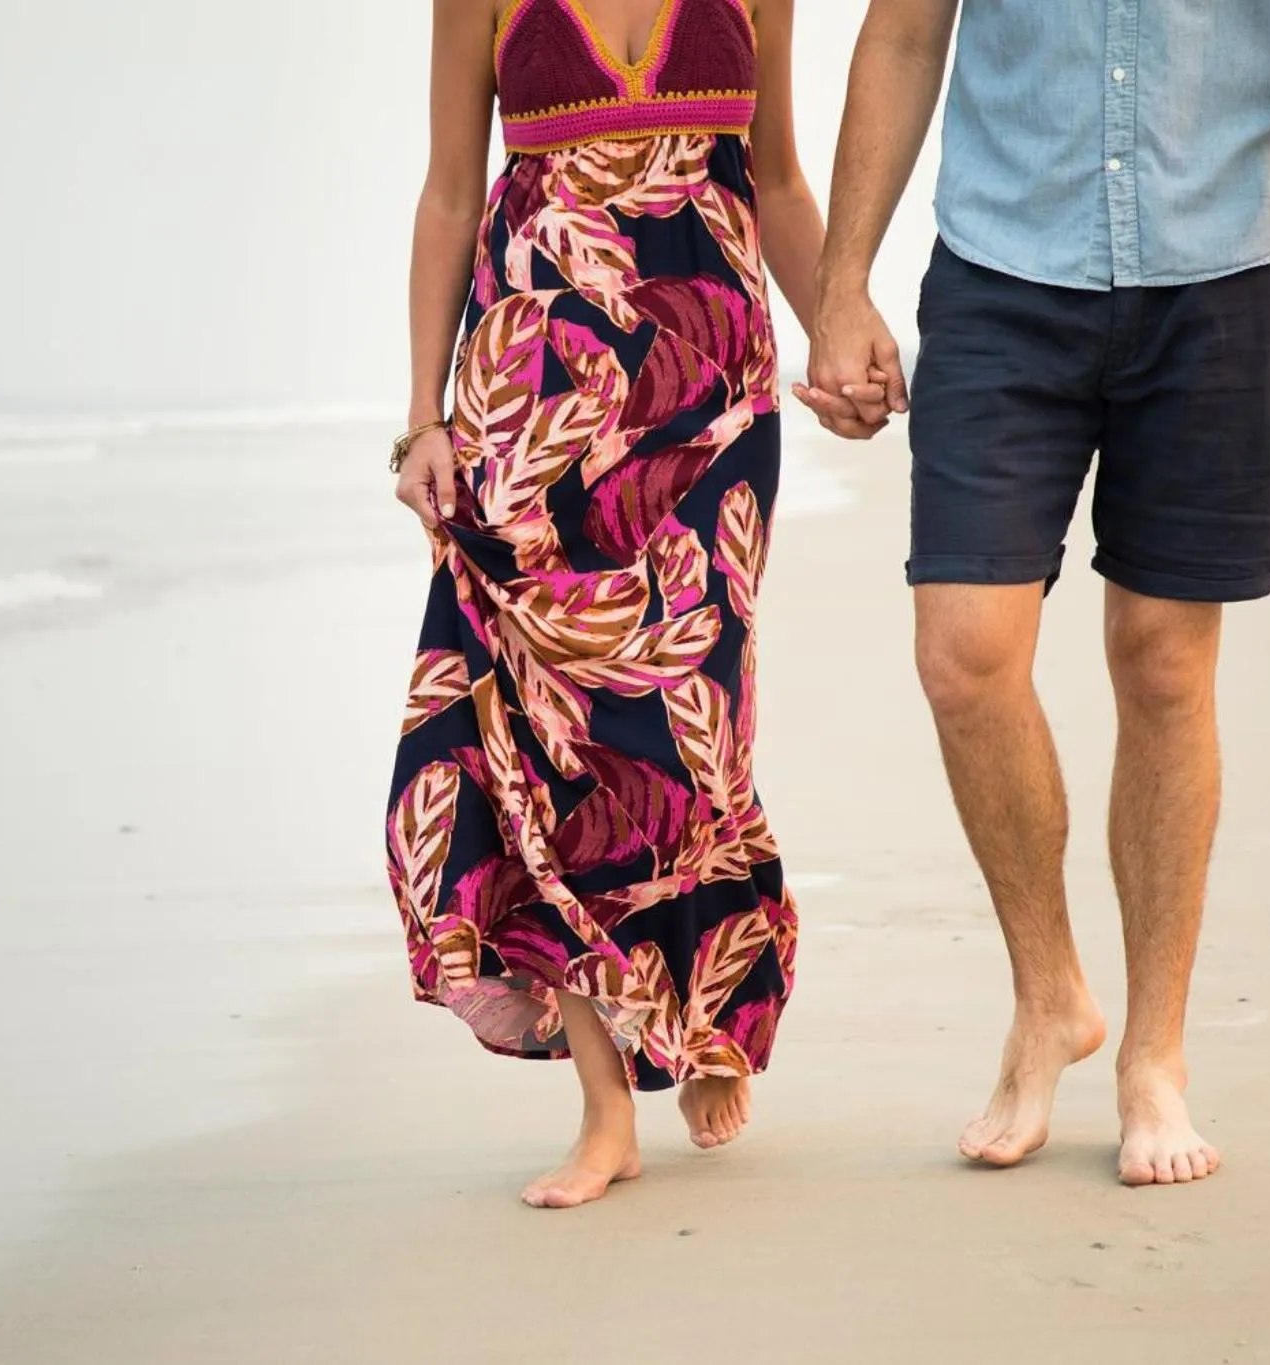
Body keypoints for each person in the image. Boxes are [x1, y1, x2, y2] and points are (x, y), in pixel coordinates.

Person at [797, 0, 1270, 1185]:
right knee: (962, 653)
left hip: (1227, 270)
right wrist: (842, 284)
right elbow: (904, 32)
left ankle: (1153, 1061)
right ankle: (1046, 1000)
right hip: (998, 265)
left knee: (1163, 661)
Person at [387, 0, 860, 1210]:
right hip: (530, 403)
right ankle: (606, 1106)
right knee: (562, 752)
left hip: (710, 401)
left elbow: (781, 182)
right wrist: (425, 416)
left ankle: (700, 1008)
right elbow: (452, 193)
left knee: (692, 718)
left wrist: (839, 334)